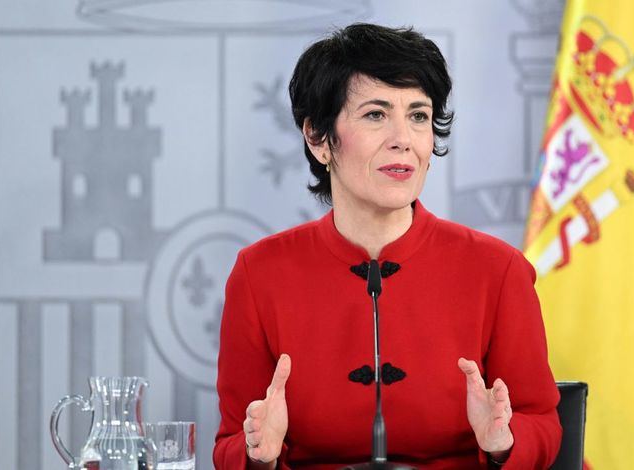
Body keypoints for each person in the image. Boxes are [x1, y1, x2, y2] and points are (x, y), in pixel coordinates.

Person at [213, 23, 562, 469]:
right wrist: (258, 454)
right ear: (318, 138)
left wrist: (504, 441)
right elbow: (230, 441)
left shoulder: (498, 269)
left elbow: (542, 422)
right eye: (376, 115)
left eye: (418, 116)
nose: (403, 139)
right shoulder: (259, 273)